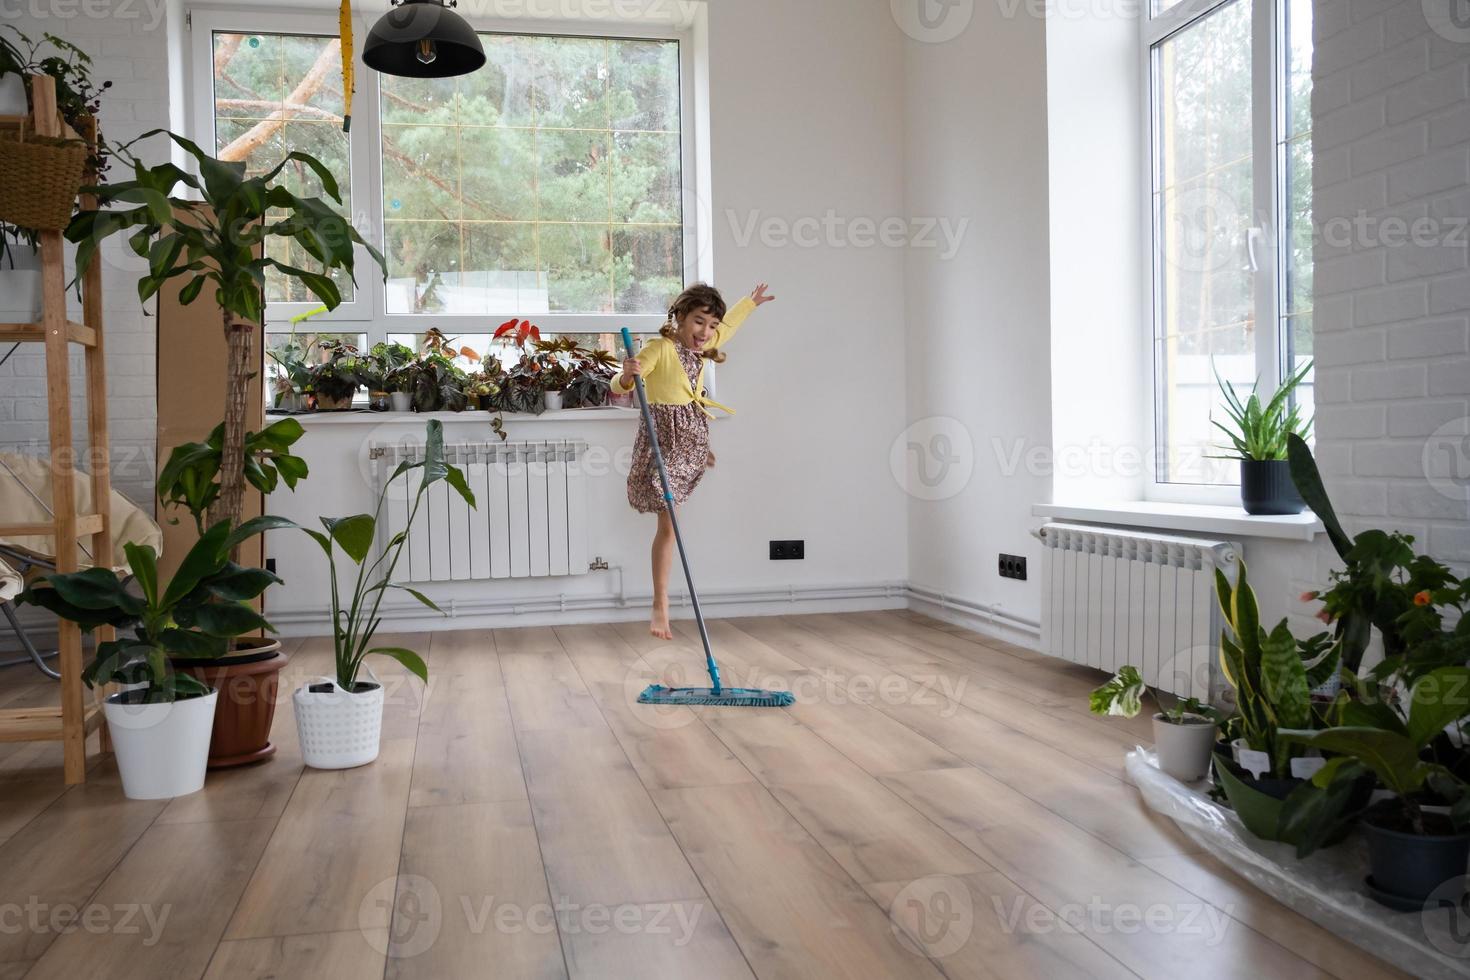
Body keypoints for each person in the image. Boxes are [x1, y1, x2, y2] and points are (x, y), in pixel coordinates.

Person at [614, 281, 777, 639]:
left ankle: (661, 604)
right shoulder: (661, 348)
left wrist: (749, 303)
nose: (706, 332)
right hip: (661, 439)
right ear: (681, 317)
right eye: (699, 322)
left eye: (711, 325)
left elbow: (729, 326)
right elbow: (618, 384)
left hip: (690, 435)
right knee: (668, 524)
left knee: (668, 523)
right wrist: (628, 374)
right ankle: (660, 604)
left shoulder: (704, 347)